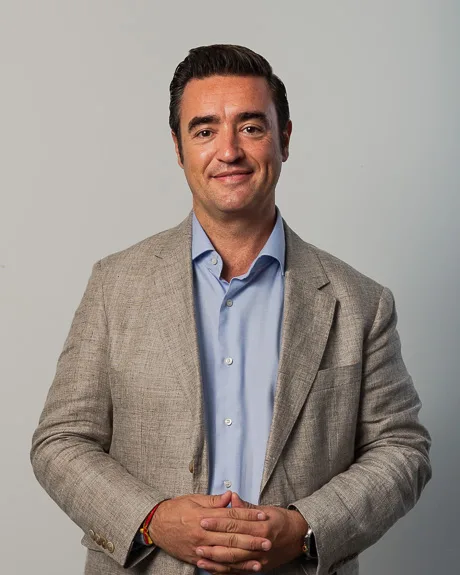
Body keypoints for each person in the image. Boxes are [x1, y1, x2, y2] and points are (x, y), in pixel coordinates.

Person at [31, 44, 431, 575]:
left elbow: (401, 448)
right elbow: (61, 441)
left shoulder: (360, 301)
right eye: (204, 130)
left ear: (284, 139)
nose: (229, 151)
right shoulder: (115, 285)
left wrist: (306, 529)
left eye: (250, 127)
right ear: (178, 149)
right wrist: (151, 519)